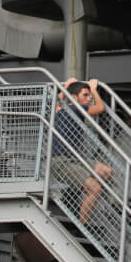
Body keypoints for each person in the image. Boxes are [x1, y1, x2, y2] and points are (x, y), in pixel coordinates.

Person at [51, 78, 115, 225]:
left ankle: (88, 191)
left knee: (106, 171)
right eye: (85, 95)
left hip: (73, 159)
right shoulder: (75, 108)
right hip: (61, 162)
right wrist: (93, 88)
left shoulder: (62, 109)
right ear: (74, 98)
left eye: (89, 95)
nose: (89, 98)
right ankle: (83, 225)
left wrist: (65, 88)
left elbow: (55, 106)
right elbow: (99, 108)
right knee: (95, 189)